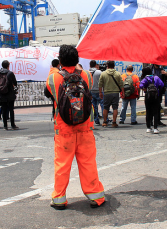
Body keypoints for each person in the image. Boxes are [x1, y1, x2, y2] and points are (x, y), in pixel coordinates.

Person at [46, 44, 105, 210]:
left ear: (60, 60)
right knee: (88, 163)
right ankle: (96, 196)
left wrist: (56, 68)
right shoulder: (86, 75)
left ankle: (59, 199)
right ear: (77, 59)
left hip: (64, 130)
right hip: (85, 128)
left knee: (62, 166)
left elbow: (51, 91)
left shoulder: (53, 78)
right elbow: (85, 79)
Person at [98, 60, 124, 128]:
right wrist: (122, 93)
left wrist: (100, 92)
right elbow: (121, 84)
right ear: (114, 66)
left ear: (107, 66)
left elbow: (100, 84)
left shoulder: (103, 73)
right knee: (115, 107)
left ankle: (104, 122)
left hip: (107, 93)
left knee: (105, 107)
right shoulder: (117, 73)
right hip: (115, 93)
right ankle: (114, 122)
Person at [140, 66, 164, 134]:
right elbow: (162, 85)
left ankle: (148, 127)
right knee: (156, 112)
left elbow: (141, 85)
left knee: (148, 111)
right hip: (156, 96)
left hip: (148, 96)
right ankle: (155, 128)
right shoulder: (156, 77)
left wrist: (145, 88)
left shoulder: (145, 79)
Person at [0, 60, 18, 130]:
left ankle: (5, 126)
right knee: (11, 110)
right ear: (8, 66)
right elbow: (15, 83)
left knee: (3, 110)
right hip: (10, 94)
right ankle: (12, 125)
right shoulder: (10, 73)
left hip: (2, 94)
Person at [89, 60, 104, 125]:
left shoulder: (87, 72)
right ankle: (105, 118)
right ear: (96, 65)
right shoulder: (99, 72)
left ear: (90, 65)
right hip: (99, 91)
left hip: (91, 91)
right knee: (103, 104)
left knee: (94, 106)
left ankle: (96, 119)